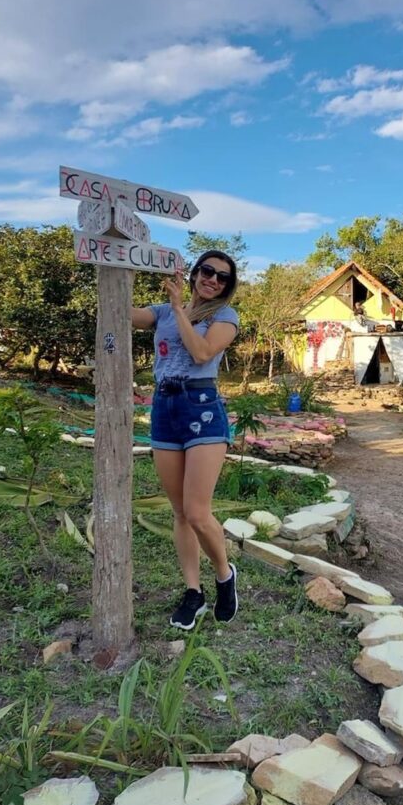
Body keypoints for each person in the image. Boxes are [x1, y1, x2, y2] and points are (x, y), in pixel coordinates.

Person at [131, 250, 240, 630]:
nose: (212, 279)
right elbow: (120, 313)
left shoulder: (224, 316)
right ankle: (193, 592)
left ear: (228, 285)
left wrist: (180, 309)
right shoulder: (162, 311)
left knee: (196, 511)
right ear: (194, 273)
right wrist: (122, 265)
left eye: (222, 277)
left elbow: (201, 352)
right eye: (207, 271)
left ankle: (225, 575)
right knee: (178, 512)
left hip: (202, 408)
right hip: (164, 407)